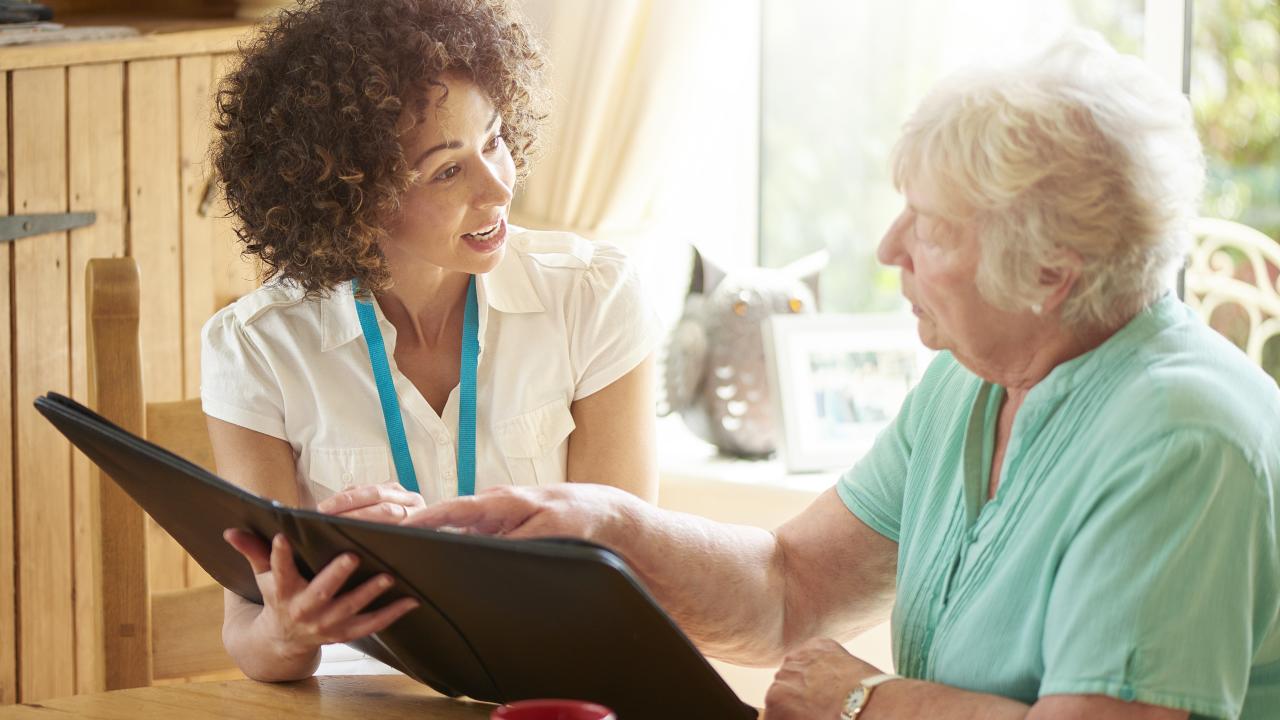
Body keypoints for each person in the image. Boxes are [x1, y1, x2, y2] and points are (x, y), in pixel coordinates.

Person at [401, 33, 1280, 720]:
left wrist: (866, 702)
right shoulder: (974, 383)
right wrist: (606, 528)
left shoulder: (1183, 438)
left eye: (931, 229)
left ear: (1052, 271)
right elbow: (791, 587)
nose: (888, 248)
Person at [201, 0, 661, 682]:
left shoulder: (592, 296)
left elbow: (631, 576)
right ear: (350, 195)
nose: (498, 186)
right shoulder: (256, 347)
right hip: (359, 703)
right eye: (448, 170)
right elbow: (251, 635)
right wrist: (290, 628)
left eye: (496, 140)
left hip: (552, 689)